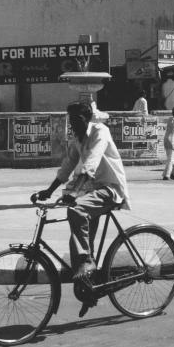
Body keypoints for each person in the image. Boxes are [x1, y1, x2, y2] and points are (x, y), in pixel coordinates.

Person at [36, 101, 129, 280]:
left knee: (76, 210)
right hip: (92, 189)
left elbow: (90, 165)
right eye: (70, 121)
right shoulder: (77, 139)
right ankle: (88, 281)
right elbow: (68, 165)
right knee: (77, 236)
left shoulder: (100, 131)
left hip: (110, 188)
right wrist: (48, 191)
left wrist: (74, 192)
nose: (72, 125)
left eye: (75, 120)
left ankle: (87, 261)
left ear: (84, 118)